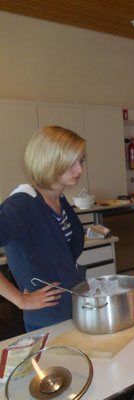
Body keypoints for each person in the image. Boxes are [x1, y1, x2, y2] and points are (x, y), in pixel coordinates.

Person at [0, 126, 86, 331]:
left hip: (71, 309)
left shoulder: (59, 200)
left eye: (81, 161)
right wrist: (21, 300)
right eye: (71, 163)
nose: (80, 169)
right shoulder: (22, 204)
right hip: (47, 318)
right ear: (49, 161)